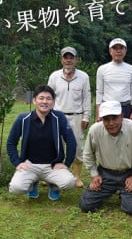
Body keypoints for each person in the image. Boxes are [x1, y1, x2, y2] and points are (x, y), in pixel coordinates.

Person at [7, 85, 77, 201]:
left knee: (69, 183)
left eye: (48, 99)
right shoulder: (23, 119)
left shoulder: (59, 118)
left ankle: (54, 185)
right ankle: (31, 184)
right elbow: (11, 143)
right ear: (34, 100)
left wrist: (66, 163)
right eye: (41, 98)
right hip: (30, 165)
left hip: (52, 166)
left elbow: (71, 141)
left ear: (53, 102)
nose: (45, 102)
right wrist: (17, 163)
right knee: (16, 188)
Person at [79, 100, 132, 215]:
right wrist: (94, 175)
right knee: (86, 206)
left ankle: (126, 193)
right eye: (106, 119)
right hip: (105, 174)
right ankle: (117, 192)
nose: (111, 123)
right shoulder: (95, 130)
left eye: (114, 118)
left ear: (122, 116)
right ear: (101, 119)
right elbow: (87, 154)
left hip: (128, 173)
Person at [47, 46, 91, 188]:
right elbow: (48, 98)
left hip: (77, 117)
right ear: (61, 60)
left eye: (71, 57)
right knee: (55, 146)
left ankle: (76, 176)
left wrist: (86, 117)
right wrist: (48, 116)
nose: (68, 60)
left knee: (77, 147)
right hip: (57, 116)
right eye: (66, 57)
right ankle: (52, 175)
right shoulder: (54, 76)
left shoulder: (83, 77)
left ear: (76, 59)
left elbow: (86, 98)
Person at [95, 38, 132, 121]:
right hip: (107, 106)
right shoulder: (102, 69)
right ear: (110, 51)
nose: (118, 51)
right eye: (115, 48)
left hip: (125, 107)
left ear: (125, 51)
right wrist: (98, 113)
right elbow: (99, 92)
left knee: (126, 132)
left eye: (121, 48)